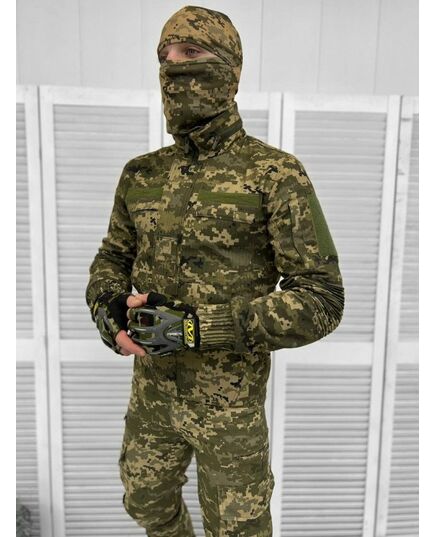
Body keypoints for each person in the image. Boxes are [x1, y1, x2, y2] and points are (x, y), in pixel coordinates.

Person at [85, 5, 345, 536]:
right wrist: (107, 308)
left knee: (238, 530)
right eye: (165, 57)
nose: (175, 67)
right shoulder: (141, 174)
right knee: (144, 503)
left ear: (230, 68)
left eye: (191, 52)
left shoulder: (274, 173)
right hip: (152, 396)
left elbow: (322, 298)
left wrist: (198, 328)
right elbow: (111, 260)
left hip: (229, 409)